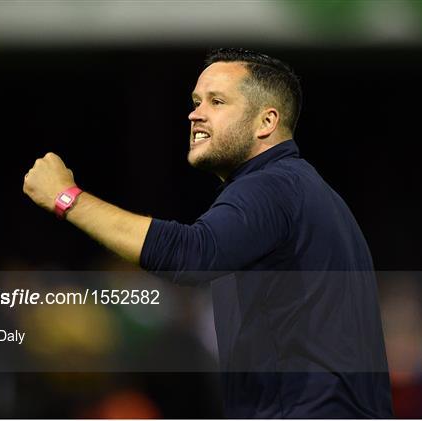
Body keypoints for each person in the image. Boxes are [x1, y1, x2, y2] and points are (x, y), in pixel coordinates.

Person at [23, 48, 393, 418]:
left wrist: (66, 197)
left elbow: (190, 254)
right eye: (196, 101)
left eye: (217, 101)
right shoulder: (305, 192)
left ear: (266, 122)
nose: (195, 114)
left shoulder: (271, 186)